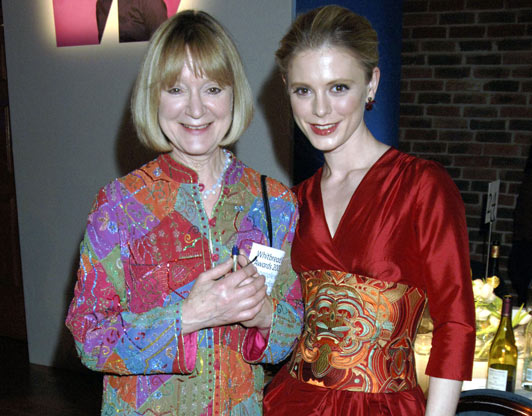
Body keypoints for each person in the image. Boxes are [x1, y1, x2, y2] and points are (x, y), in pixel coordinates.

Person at [65, 10, 303, 415]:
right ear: (153, 95)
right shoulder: (119, 206)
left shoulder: (274, 203)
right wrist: (188, 316)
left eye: (212, 88)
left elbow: (293, 329)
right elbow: (88, 337)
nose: (196, 109)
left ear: (233, 95)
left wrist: (265, 316)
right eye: (175, 89)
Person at [263, 5, 475, 416]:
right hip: (292, 402)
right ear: (287, 90)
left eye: (338, 87)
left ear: (371, 83)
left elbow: (456, 324)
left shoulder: (421, 186)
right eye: (303, 90)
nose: (320, 110)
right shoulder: (291, 202)